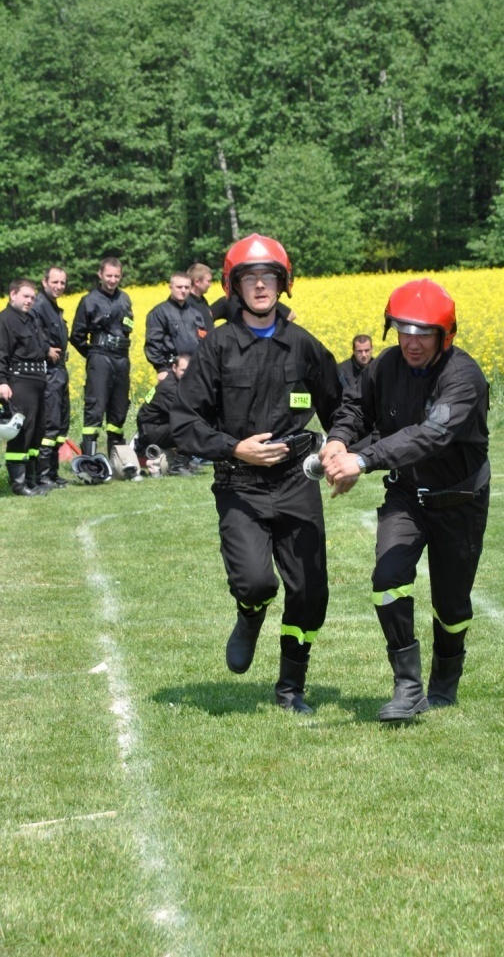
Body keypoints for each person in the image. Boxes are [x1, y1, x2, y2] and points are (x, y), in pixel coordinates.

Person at [171, 233, 343, 714]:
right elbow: (184, 421)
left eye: (270, 278)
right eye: (251, 279)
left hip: (296, 482)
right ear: (235, 287)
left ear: (282, 285)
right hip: (239, 485)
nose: (261, 286)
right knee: (255, 582)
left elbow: (342, 405)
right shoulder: (218, 347)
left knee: (310, 592)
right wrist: (234, 448)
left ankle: (291, 687)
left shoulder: (304, 345)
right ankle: (249, 615)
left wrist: (343, 447)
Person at [320, 278, 490, 722]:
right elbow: (356, 407)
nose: (411, 342)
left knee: (452, 606)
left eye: (423, 332)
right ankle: (408, 687)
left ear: (445, 334)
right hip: (407, 495)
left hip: (460, 499)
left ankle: (444, 684)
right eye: (403, 330)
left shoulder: (464, 378)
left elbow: (430, 436)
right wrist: (339, 440)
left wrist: (363, 460)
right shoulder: (386, 365)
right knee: (387, 578)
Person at [70, 257, 134, 457]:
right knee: (95, 409)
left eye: (116, 276)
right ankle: (89, 459)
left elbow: (128, 328)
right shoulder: (89, 300)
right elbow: (77, 336)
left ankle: (117, 460)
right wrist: (93, 354)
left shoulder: (124, 299)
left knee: (119, 409)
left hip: (121, 358)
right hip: (100, 356)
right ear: (100, 275)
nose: (113, 280)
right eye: (109, 276)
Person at [0, 278, 50, 496]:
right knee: (22, 432)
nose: (30, 301)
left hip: (38, 380)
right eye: (25, 296)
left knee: (36, 431)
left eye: (32, 297)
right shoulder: (5, 320)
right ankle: (18, 484)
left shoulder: (31, 318)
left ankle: (31, 479)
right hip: (19, 380)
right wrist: (2, 381)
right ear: (13, 294)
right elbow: (1, 352)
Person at [31, 266, 70, 488]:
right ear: (44, 282)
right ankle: (43, 474)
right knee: (50, 424)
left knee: (61, 422)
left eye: (62, 283)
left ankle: (54, 473)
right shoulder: (39, 305)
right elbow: (33, 331)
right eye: (55, 282)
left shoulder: (53, 307)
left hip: (60, 370)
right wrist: (46, 348)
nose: (59, 286)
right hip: (49, 371)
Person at [135, 353, 193, 475]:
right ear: (174, 368)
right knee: (190, 425)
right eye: (183, 370)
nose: (186, 373)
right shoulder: (169, 387)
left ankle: (184, 461)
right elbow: (185, 414)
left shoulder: (178, 382)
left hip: (161, 425)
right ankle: (179, 466)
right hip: (150, 430)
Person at [144, 272, 208, 379]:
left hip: (195, 369)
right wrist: (161, 368)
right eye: (179, 287)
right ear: (171, 287)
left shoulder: (196, 314)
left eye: (186, 287)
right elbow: (153, 343)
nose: (183, 290)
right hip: (171, 370)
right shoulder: (159, 312)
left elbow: (203, 342)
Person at [187, 263, 215, 335]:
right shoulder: (186, 303)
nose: (210, 285)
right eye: (208, 281)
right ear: (197, 282)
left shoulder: (202, 300)